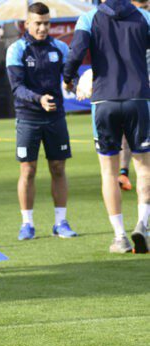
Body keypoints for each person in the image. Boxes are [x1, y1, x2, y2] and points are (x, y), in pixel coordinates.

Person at [63, 0, 150, 253]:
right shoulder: (144, 16)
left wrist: (69, 79)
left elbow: (76, 52)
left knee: (109, 172)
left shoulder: (89, 18)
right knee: (144, 168)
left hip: (104, 101)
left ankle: (120, 236)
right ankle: (143, 224)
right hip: (139, 98)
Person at [5, 2, 77, 240]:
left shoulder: (60, 48)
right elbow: (17, 88)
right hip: (28, 117)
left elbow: (69, 76)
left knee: (58, 168)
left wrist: (72, 81)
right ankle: (27, 224)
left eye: (47, 23)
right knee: (28, 170)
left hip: (56, 117)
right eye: (38, 23)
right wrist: (39, 99)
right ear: (27, 24)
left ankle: (60, 222)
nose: (43, 28)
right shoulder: (17, 50)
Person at [117, 0, 150, 191]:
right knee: (127, 133)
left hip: (138, 87)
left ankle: (125, 172)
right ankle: (123, 173)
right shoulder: (131, 22)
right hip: (136, 88)